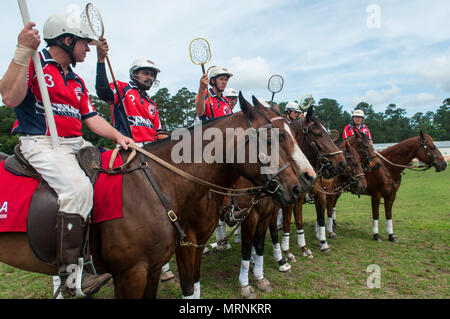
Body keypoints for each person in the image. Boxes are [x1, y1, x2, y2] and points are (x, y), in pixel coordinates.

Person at [0, 13, 134, 297]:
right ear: (67, 39)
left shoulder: (75, 80)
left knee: (115, 173)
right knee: (78, 189)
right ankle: (72, 274)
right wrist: (23, 50)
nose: (87, 49)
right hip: (43, 143)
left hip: (75, 142)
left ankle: (100, 250)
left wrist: (118, 136)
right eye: (84, 43)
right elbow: (9, 98)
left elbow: (91, 117)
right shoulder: (35, 63)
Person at [95, 39, 172, 282]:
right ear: (134, 74)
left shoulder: (151, 103)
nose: (149, 77)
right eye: (145, 73)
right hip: (128, 152)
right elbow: (101, 91)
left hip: (153, 154)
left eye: (152, 74)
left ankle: (162, 253)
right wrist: (100, 61)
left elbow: (158, 132)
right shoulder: (121, 89)